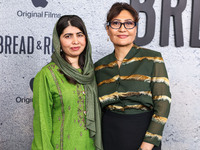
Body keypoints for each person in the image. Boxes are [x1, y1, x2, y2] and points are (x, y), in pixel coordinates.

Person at [94, 2, 171, 150]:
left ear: (135, 29)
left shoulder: (153, 59)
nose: (122, 29)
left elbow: (163, 104)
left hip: (143, 134)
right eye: (116, 23)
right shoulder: (99, 67)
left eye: (129, 23)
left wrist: (148, 144)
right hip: (109, 135)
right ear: (108, 29)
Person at [32, 15, 103, 150]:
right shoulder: (47, 75)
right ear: (58, 40)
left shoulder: (92, 73)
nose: (75, 41)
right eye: (68, 36)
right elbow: (42, 124)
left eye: (79, 35)